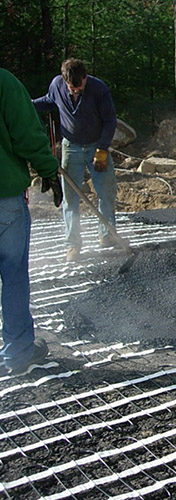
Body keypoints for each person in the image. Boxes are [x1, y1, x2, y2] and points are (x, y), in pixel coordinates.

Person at [0, 67, 62, 375]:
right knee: (12, 277)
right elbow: (25, 134)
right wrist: (48, 168)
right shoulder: (4, 82)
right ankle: (17, 353)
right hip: (4, 198)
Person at [33, 59, 118, 262]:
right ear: (64, 81)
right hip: (71, 148)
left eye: (79, 86)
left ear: (85, 78)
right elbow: (48, 101)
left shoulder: (99, 90)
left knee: (106, 192)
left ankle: (107, 236)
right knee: (70, 198)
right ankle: (73, 246)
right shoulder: (57, 86)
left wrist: (103, 149)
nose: (75, 91)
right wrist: (26, 106)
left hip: (96, 146)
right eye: (72, 87)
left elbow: (110, 120)